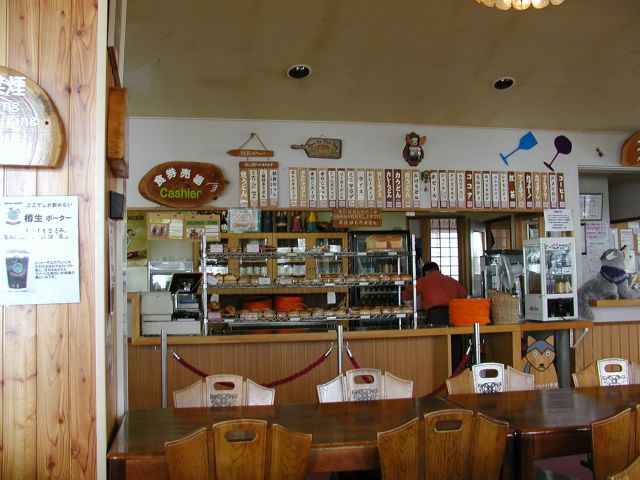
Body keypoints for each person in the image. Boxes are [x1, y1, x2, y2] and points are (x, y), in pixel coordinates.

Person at [401, 261, 467, 312]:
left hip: (431, 317)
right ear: (438, 270)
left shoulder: (422, 281)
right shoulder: (452, 281)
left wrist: (413, 311)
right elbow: (466, 297)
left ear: (426, 272)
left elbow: (405, 296)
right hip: (452, 316)